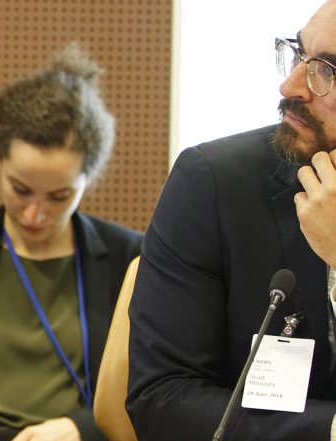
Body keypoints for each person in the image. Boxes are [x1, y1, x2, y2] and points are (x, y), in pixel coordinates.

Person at [127, 1, 336, 439]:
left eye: (328, 72)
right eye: (299, 54)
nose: (290, 85)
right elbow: (163, 397)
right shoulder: (215, 184)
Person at [0, 44, 141, 441]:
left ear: (87, 180)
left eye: (59, 197)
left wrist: (83, 429)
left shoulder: (131, 262)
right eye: (21, 190)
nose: (35, 215)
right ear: (0, 161)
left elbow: (153, 389)